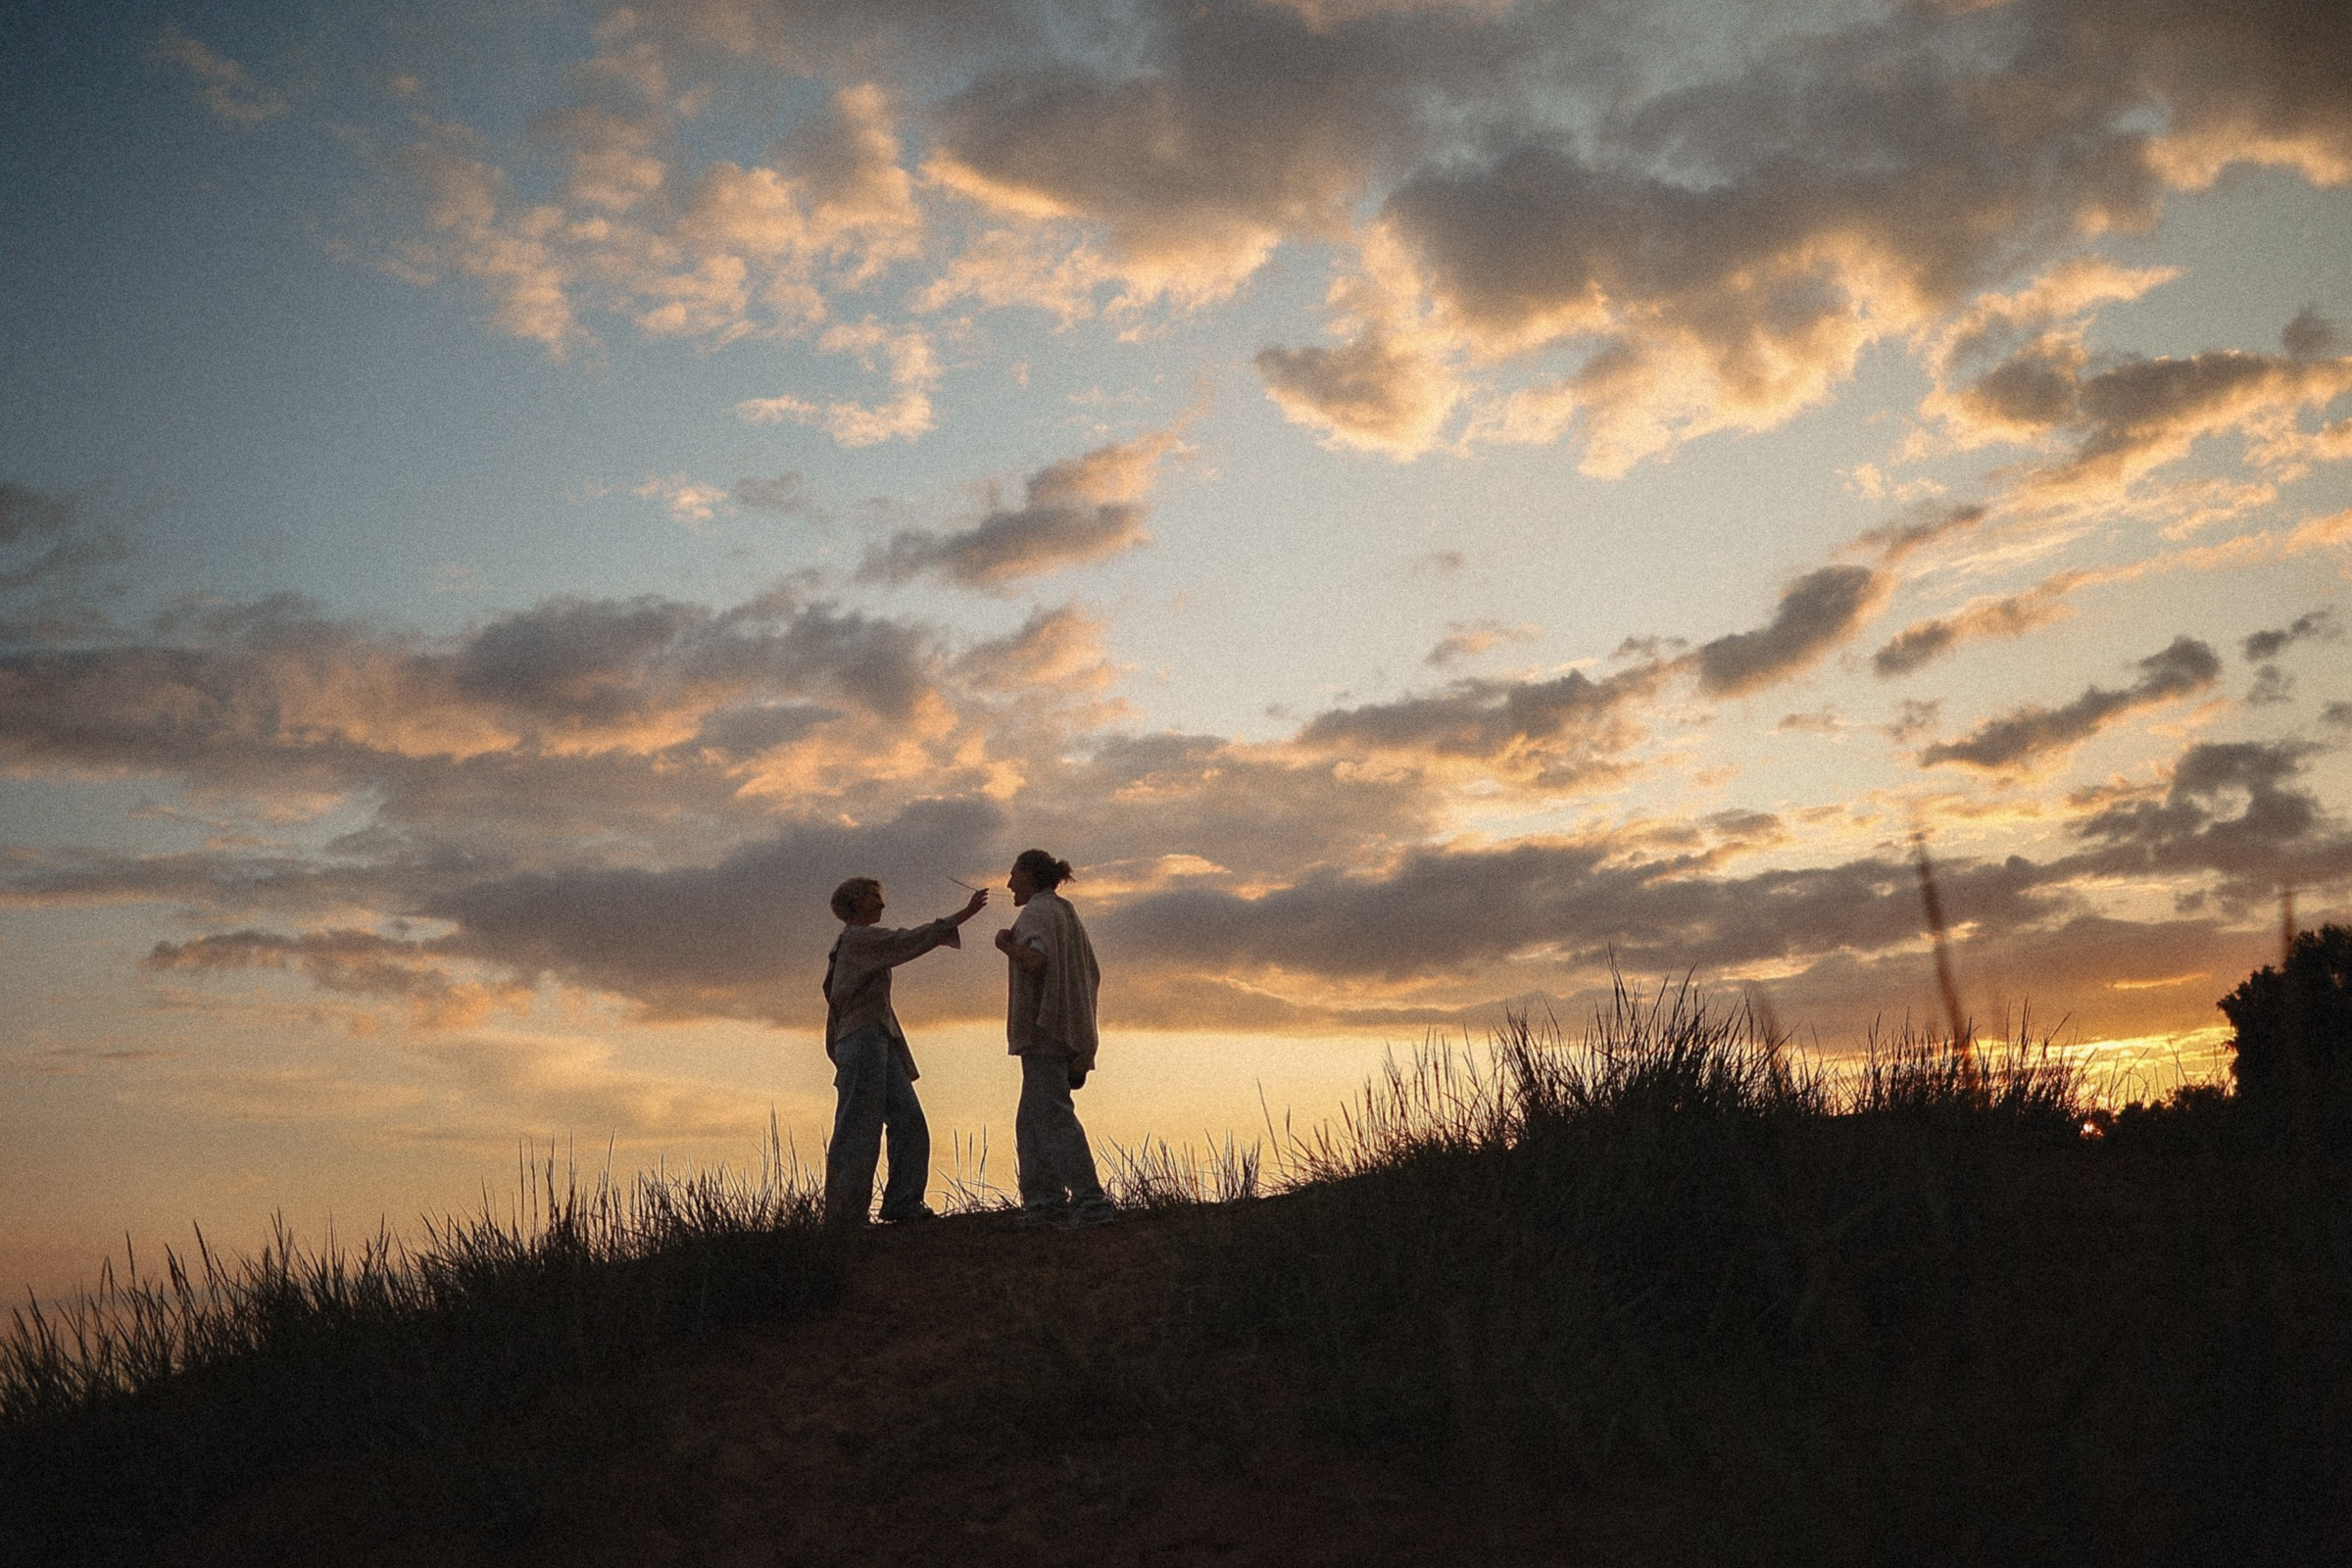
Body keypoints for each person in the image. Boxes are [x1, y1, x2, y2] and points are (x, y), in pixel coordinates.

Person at [822, 875, 987, 1227]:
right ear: (854, 904)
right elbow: (907, 940)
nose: (881, 904)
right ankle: (845, 1215)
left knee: (908, 1119)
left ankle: (902, 1202)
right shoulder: (859, 938)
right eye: (872, 898)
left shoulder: (855, 942)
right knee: (859, 1126)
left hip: (876, 1039)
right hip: (864, 1040)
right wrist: (963, 915)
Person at [995, 849, 1112, 1229]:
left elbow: (1035, 961)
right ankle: (1045, 1204)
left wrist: (1006, 945)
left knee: (1053, 1116)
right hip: (1064, 1030)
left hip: (1045, 1032)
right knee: (1032, 1119)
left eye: (1014, 874)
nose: (1009, 883)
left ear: (1029, 875)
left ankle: (1090, 1201)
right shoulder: (1065, 912)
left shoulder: (1036, 913)